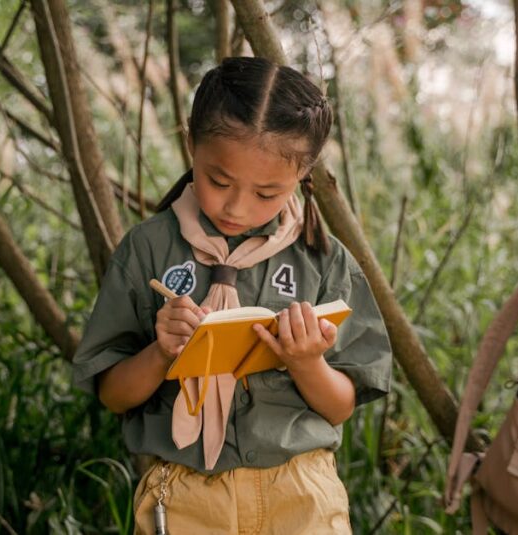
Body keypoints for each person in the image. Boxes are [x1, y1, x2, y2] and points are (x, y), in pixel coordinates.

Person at [72, 56, 392, 534]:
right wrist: (163, 352)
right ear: (191, 146)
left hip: (300, 492)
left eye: (267, 193)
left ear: (303, 175)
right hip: (185, 497)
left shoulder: (323, 259)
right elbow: (115, 396)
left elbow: (341, 405)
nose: (237, 207)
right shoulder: (148, 249)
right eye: (219, 181)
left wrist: (307, 362)